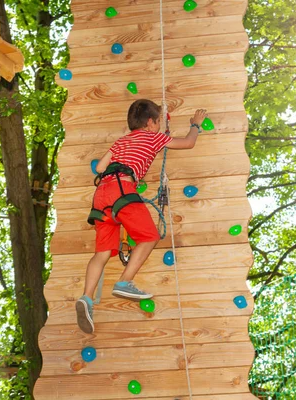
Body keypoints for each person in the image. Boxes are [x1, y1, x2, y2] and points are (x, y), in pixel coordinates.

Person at [76, 99, 207, 333]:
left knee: (102, 253)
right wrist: (195, 125)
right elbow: (188, 143)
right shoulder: (153, 137)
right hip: (122, 190)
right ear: (150, 122)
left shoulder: (122, 140)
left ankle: (85, 298)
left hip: (102, 194)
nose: (158, 126)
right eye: (157, 122)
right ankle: (124, 281)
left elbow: (99, 168)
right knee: (149, 237)